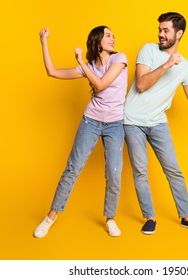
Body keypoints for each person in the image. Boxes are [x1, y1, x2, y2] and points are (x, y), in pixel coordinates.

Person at [124, 12, 188, 234]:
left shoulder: (186, 66)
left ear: (179, 33)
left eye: (165, 30)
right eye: (160, 29)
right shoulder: (148, 50)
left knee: (174, 170)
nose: (161, 34)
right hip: (132, 121)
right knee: (140, 171)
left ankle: (187, 217)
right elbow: (140, 84)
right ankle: (149, 217)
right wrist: (166, 65)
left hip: (157, 122)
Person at [34, 26, 128, 238]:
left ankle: (110, 218)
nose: (113, 38)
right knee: (72, 169)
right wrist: (44, 43)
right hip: (91, 121)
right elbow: (52, 72)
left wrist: (79, 63)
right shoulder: (90, 66)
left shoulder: (119, 59)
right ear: (97, 41)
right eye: (108, 35)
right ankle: (50, 217)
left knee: (114, 172)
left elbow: (101, 85)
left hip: (115, 124)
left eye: (114, 35)